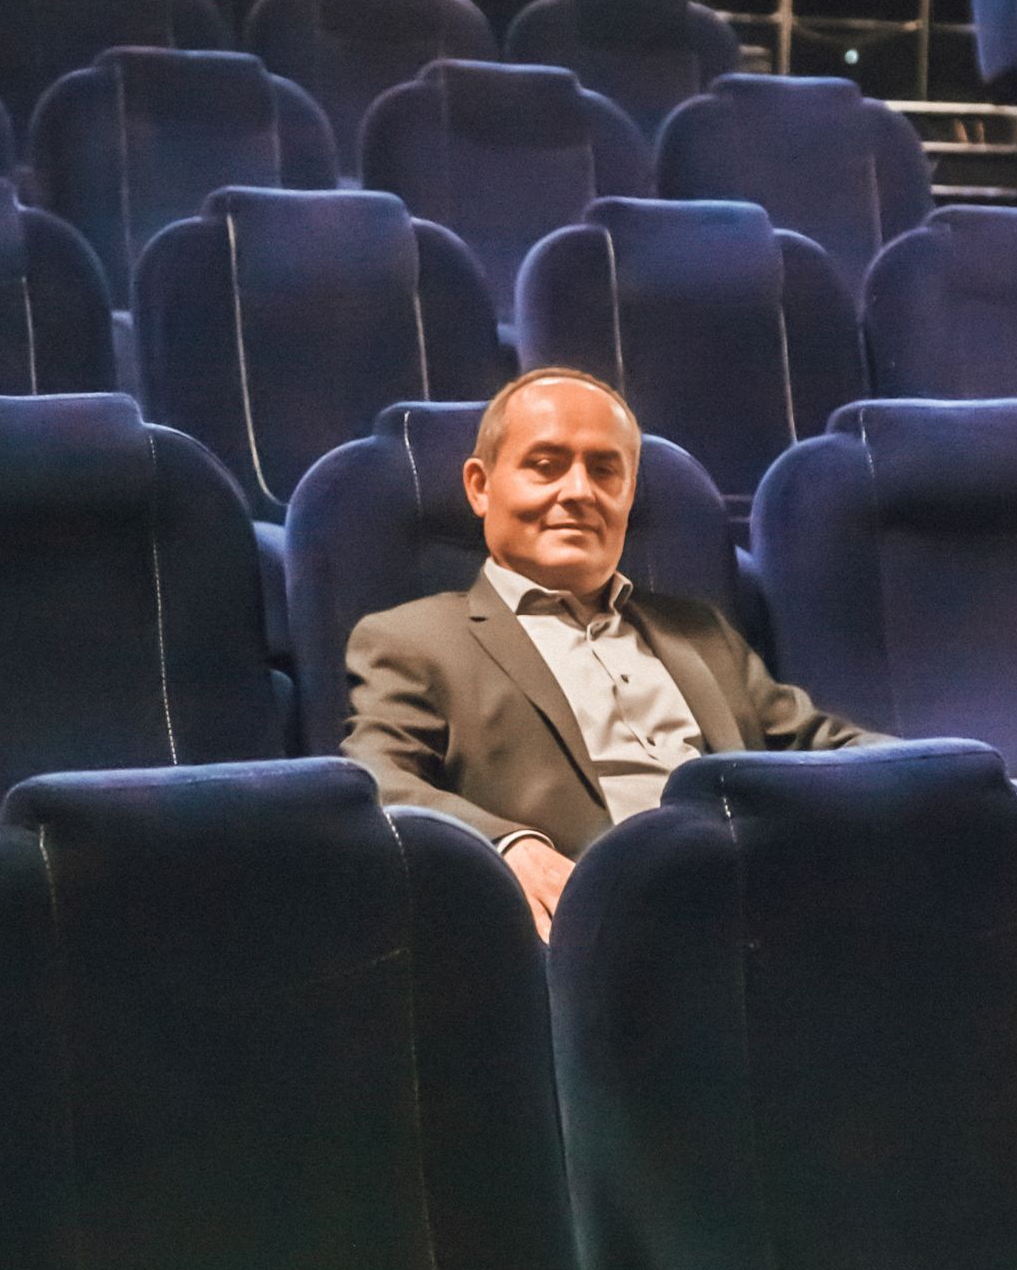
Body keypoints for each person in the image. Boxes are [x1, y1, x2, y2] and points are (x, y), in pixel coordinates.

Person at [342, 366, 882, 937]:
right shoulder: (411, 639)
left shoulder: (698, 630)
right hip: (594, 931)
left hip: (763, 910)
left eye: (605, 471)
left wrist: (945, 778)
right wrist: (505, 844)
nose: (578, 492)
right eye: (545, 467)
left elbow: (820, 744)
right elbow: (374, 778)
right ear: (480, 485)